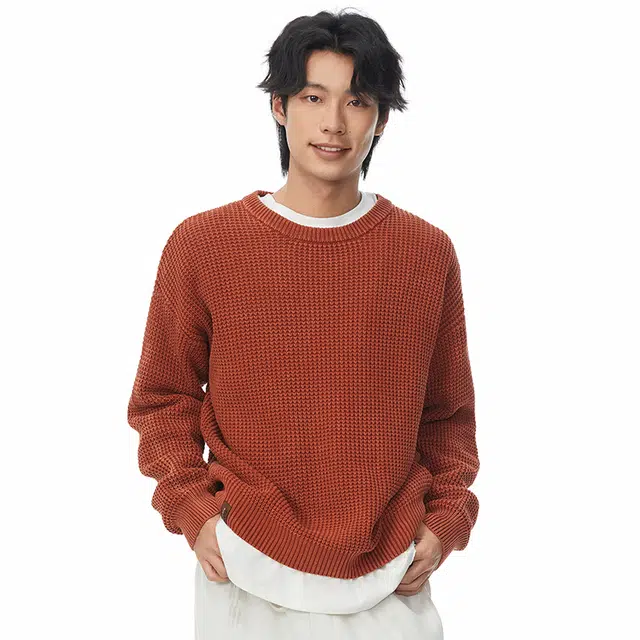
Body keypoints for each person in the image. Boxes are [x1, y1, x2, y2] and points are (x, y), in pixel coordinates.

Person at [127, 8, 480, 639]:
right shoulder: (205, 244)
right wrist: (191, 509)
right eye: (314, 97)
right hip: (246, 563)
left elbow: (447, 414)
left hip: (392, 569)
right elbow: (163, 398)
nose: (334, 122)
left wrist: (447, 518)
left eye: (357, 100)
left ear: (381, 118)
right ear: (280, 107)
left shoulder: (424, 253)